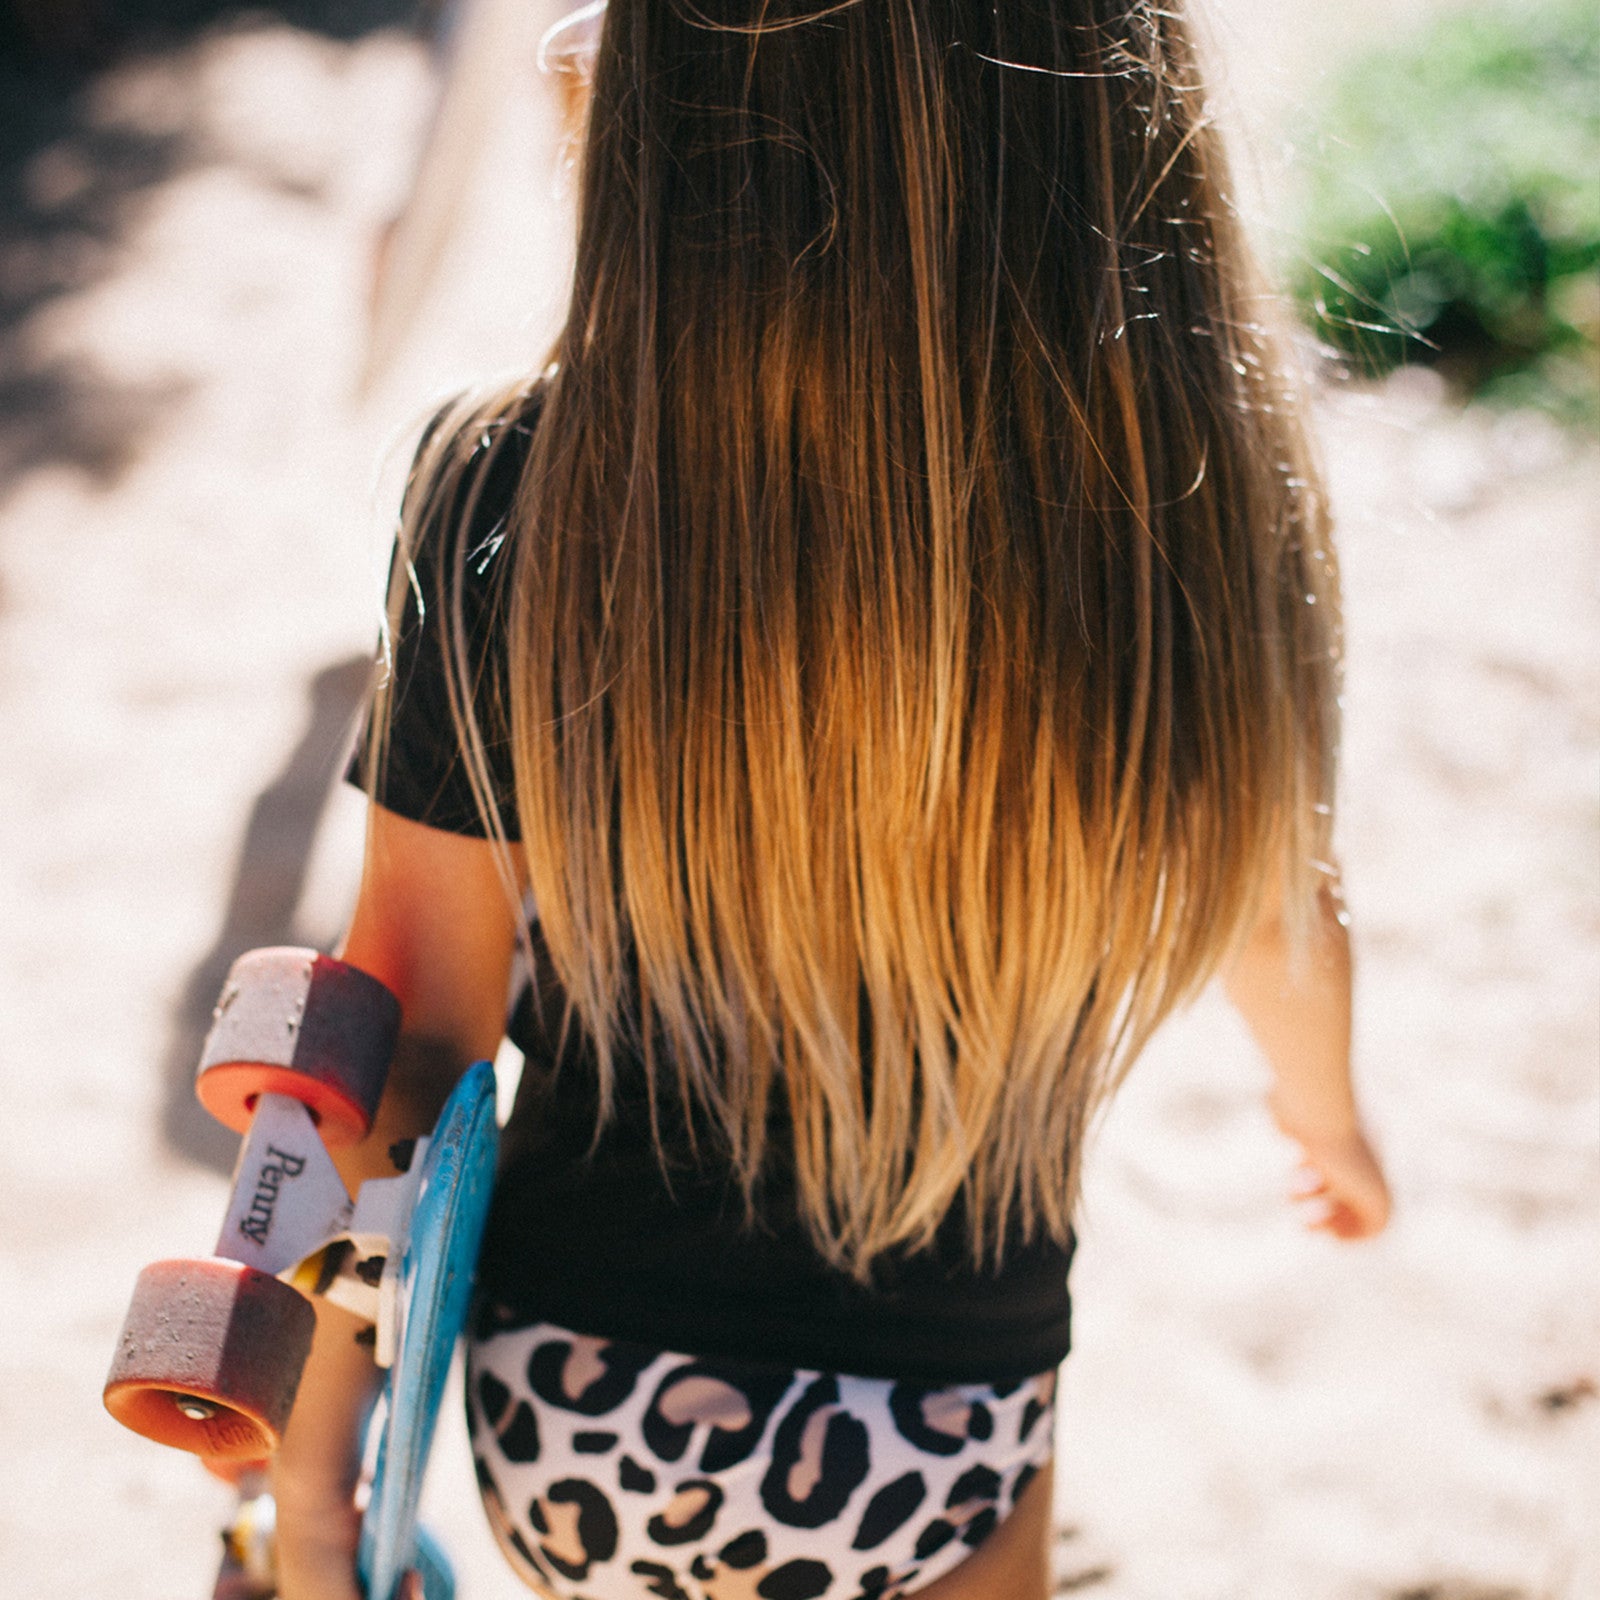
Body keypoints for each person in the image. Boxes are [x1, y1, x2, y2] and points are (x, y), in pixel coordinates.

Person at [275, 2, 1392, 1595]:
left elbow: (404, 1037)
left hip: (578, 1405)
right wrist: (1328, 1120)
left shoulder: (524, 484)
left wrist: (322, 1483)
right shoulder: (1190, 494)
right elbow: (1279, 912)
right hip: (949, 1415)